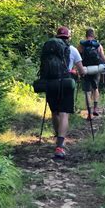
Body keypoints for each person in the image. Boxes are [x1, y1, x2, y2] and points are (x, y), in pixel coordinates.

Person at [44, 26, 85, 159]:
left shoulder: (49, 49)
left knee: (55, 112)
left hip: (50, 83)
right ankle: (60, 146)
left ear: (57, 37)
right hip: (66, 84)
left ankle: (58, 138)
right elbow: (81, 70)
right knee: (64, 113)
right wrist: (78, 72)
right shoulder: (72, 49)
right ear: (68, 38)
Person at [78, 27, 105, 116]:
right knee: (95, 88)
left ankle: (89, 112)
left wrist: (77, 69)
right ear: (93, 36)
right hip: (95, 70)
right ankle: (95, 108)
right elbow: (104, 58)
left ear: (86, 35)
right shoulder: (98, 45)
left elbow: (77, 58)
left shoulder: (81, 45)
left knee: (87, 91)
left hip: (85, 69)